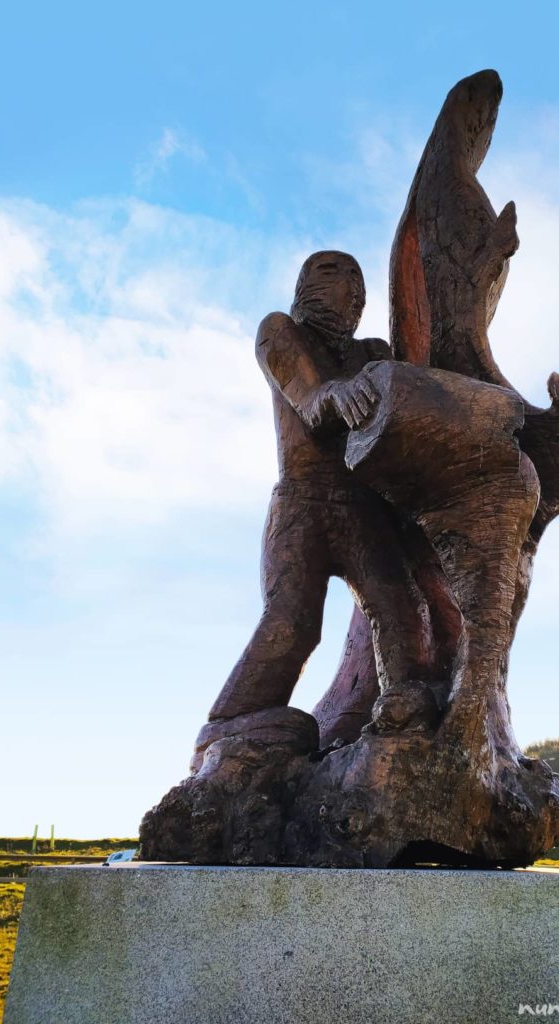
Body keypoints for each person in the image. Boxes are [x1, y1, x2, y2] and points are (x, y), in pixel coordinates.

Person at [207, 250, 427, 724]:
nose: (348, 283)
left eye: (355, 275)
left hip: (362, 506)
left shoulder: (373, 354)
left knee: (397, 606)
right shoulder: (280, 331)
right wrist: (334, 393)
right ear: (304, 284)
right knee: (292, 623)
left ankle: (402, 704)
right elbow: (308, 398)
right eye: (330, 271)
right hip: (302, 502)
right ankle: (229, 724)